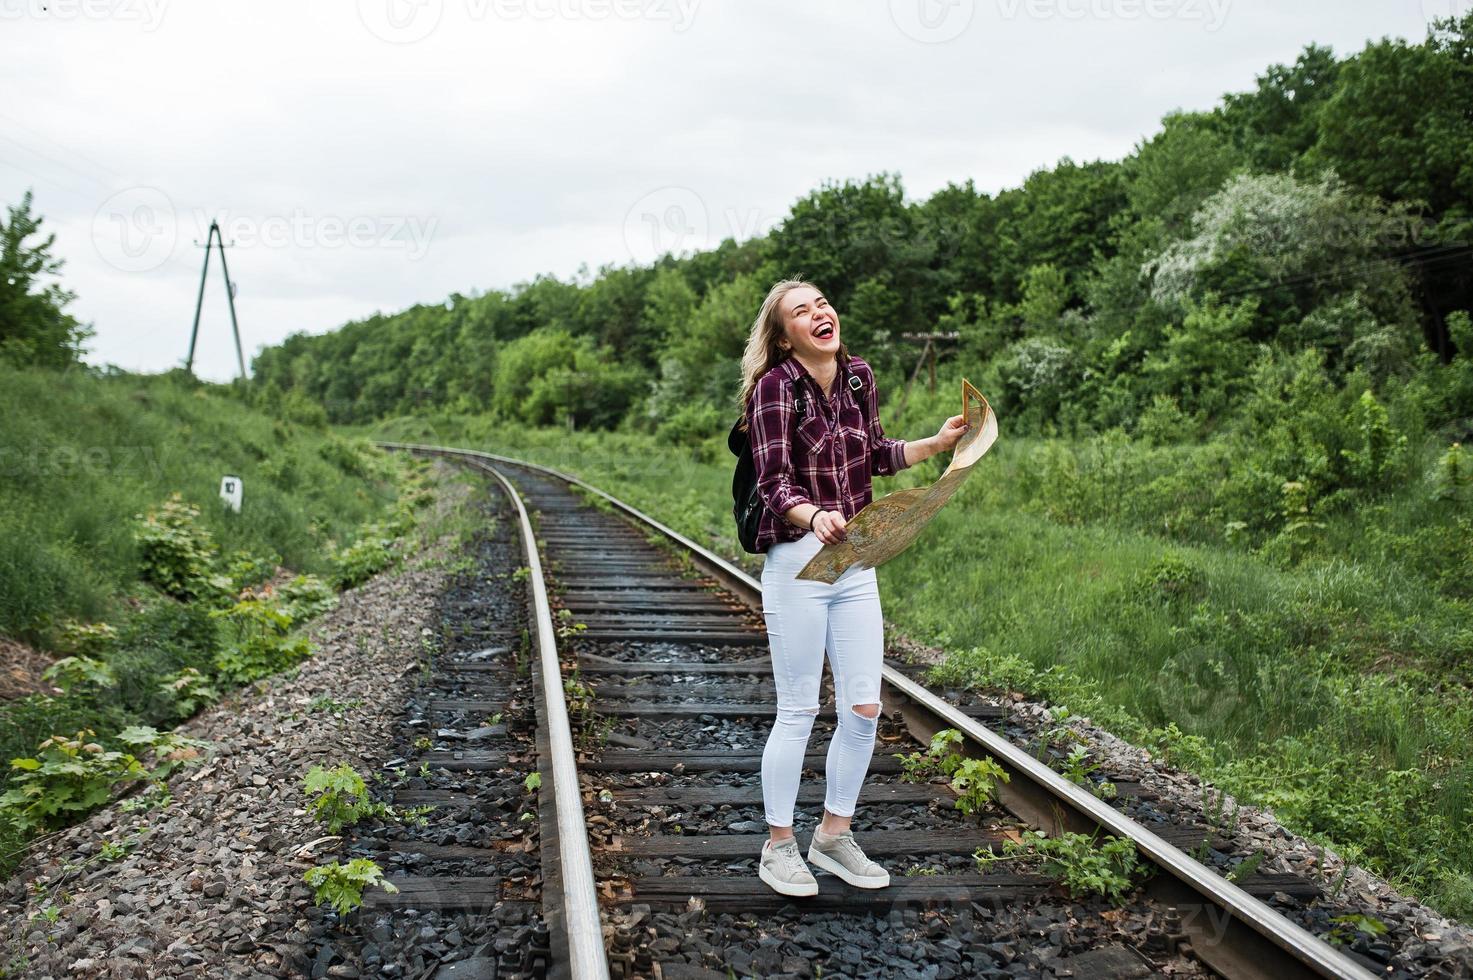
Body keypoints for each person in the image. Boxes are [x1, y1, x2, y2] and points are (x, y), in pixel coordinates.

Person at [737, 278, 969, 897]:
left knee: (864, 706)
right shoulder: (774, 389)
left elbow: (874, 454)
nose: (819, 313)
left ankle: (833, 836)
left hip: (855, 560)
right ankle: (778, 845)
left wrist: (937, 444)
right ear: (784, 336)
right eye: (801, 311)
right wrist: (812, 516)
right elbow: (772, 482)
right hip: (799, 564)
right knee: (799, 709)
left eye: (821, 303)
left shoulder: (859, 376)